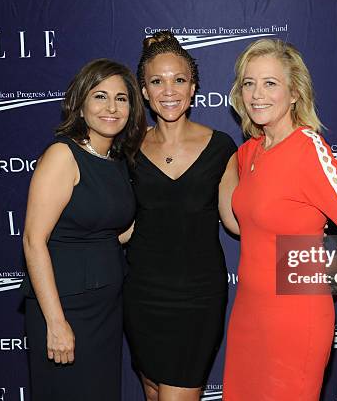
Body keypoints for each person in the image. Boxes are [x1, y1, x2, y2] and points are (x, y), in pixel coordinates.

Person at [222, 39, 337, 400]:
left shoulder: (307, 149)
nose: (256, 94)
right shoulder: (250, 151)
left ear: (294, 92)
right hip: (248, 316)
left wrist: (318, 278)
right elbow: (240, 224)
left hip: (294, 321)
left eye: (270, 83)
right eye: (249, 83)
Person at [20, 58, 147, 400]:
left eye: (121, 98)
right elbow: (34, 241)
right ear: (80, 103)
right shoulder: (63, 155)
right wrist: (56, 323)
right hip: (66, 308)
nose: (112, 107)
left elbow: (109, 233)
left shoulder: (117, 160)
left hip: (106, 308)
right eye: (100, 96)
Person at [122, 31, 238, 401]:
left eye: (179, 80)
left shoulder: (222, 147)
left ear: (193, 89)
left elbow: (236, 221)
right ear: (143, 91)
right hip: (142, 295)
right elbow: (120, 225)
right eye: (157, 81)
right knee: (153, 390)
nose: (168, 90)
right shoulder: (128, 148)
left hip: (197, 299)